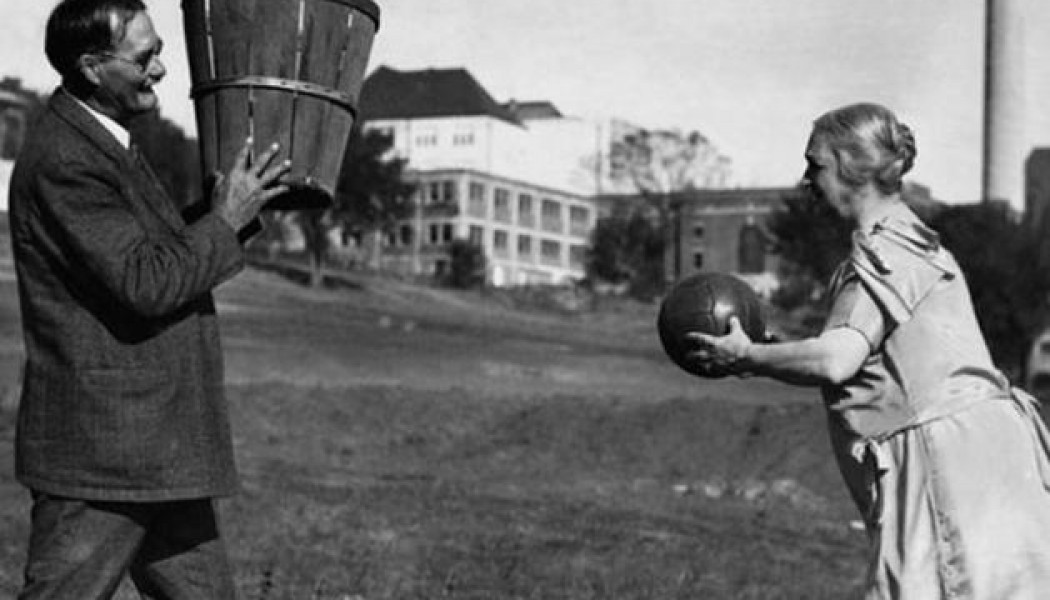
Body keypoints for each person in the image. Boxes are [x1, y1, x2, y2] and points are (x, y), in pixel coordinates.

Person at [689, 102, 1050, 599]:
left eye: (815, 164)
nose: (806, 180)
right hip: (986, 455)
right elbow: (861, 359)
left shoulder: (885, 252)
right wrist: (770, 352)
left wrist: (745, 356)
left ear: (851, 166)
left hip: (949, 462)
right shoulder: (916, 242)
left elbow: (836, 359)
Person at [8, 0, 291, 597]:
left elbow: (148, 255)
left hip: (155, 446)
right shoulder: (65, 160)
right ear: (91, 67)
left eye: (158, 51)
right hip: (103, 455)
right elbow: (146, 283)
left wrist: (231, 209)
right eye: (143, 58)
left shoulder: (104, 142)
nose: (160, 69)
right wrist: (224, 221)